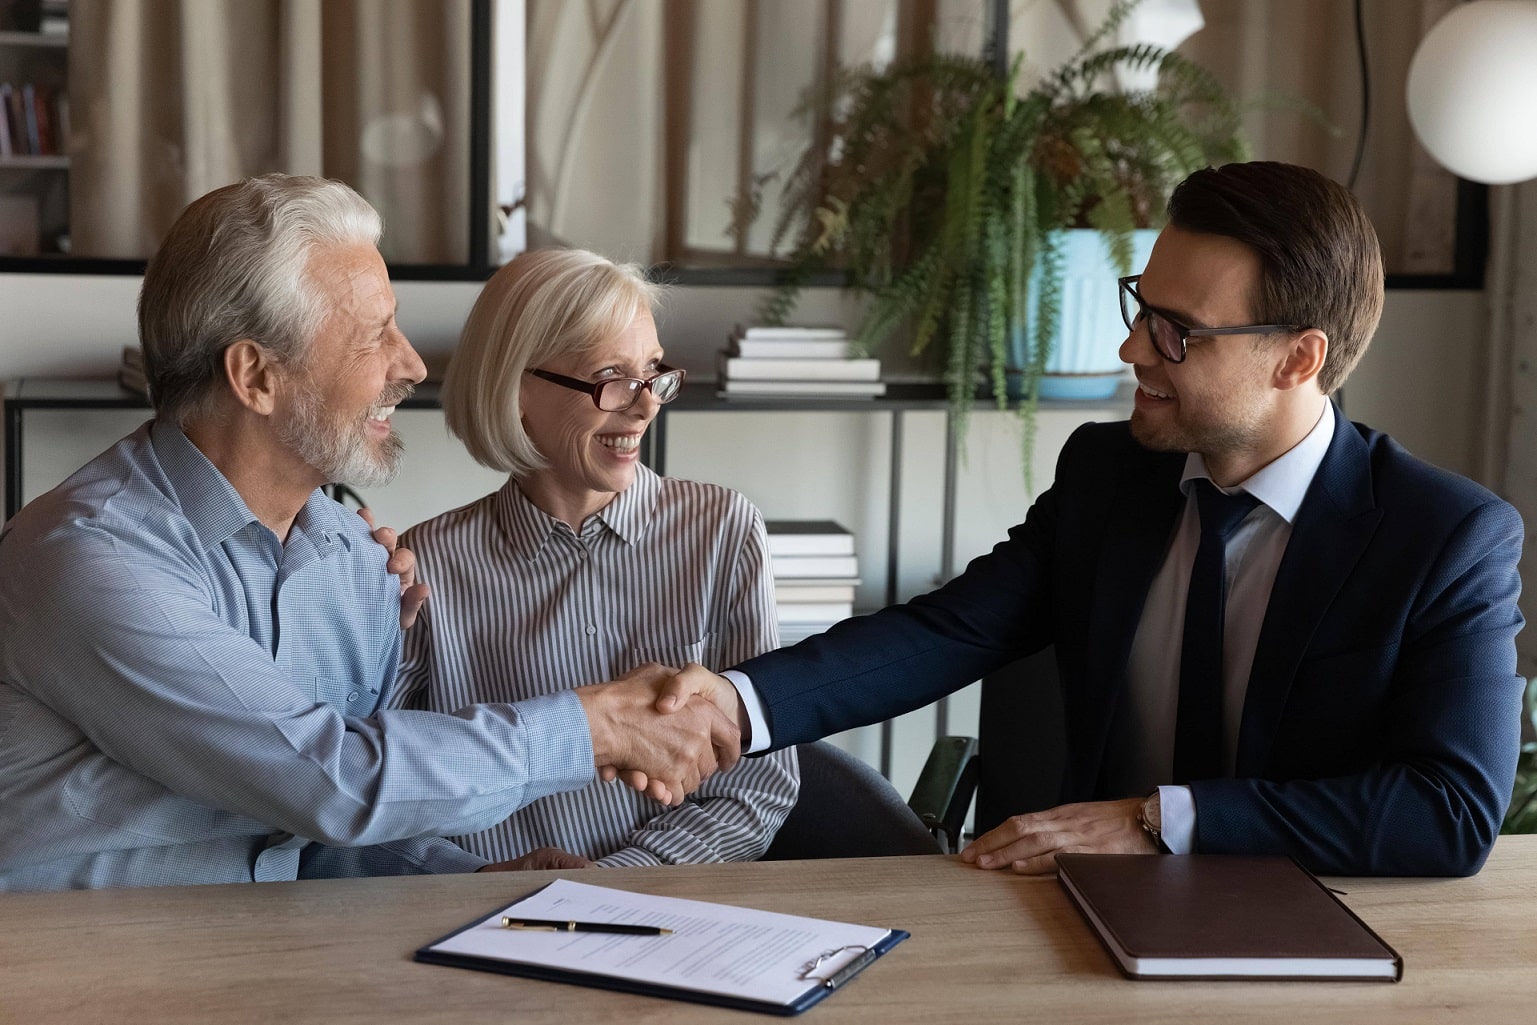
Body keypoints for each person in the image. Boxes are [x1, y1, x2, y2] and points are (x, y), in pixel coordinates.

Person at [661, 160, 1525, 877]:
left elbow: (1445, 811)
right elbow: (946, 631)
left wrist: (1157, 820)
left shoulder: (1442, 537)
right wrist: (738, 701)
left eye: (1176, 332)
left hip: (1316, 934)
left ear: (1297, 358)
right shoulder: (1108, 475)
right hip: (1082, 914)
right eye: (1140, 307)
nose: (1132, 349)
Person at [0, 174, 738, 893]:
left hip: (269, 962)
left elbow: (308, 839)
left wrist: (468, 879)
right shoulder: (90, 558)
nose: (411, 364)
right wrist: (593, 727)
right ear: (256, 376)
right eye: (373, 335)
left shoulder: (357, 561)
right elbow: (329, 780)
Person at [387, 249, 799, 870]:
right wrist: (477, 877)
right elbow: (380, 787)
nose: (645, 406)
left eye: (654, 373)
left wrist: (618, 880)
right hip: (479, 915)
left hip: (673, 916)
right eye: (613, 376)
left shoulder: (721, 531)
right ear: (518, 387)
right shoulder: (427, 565)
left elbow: (760, 785)